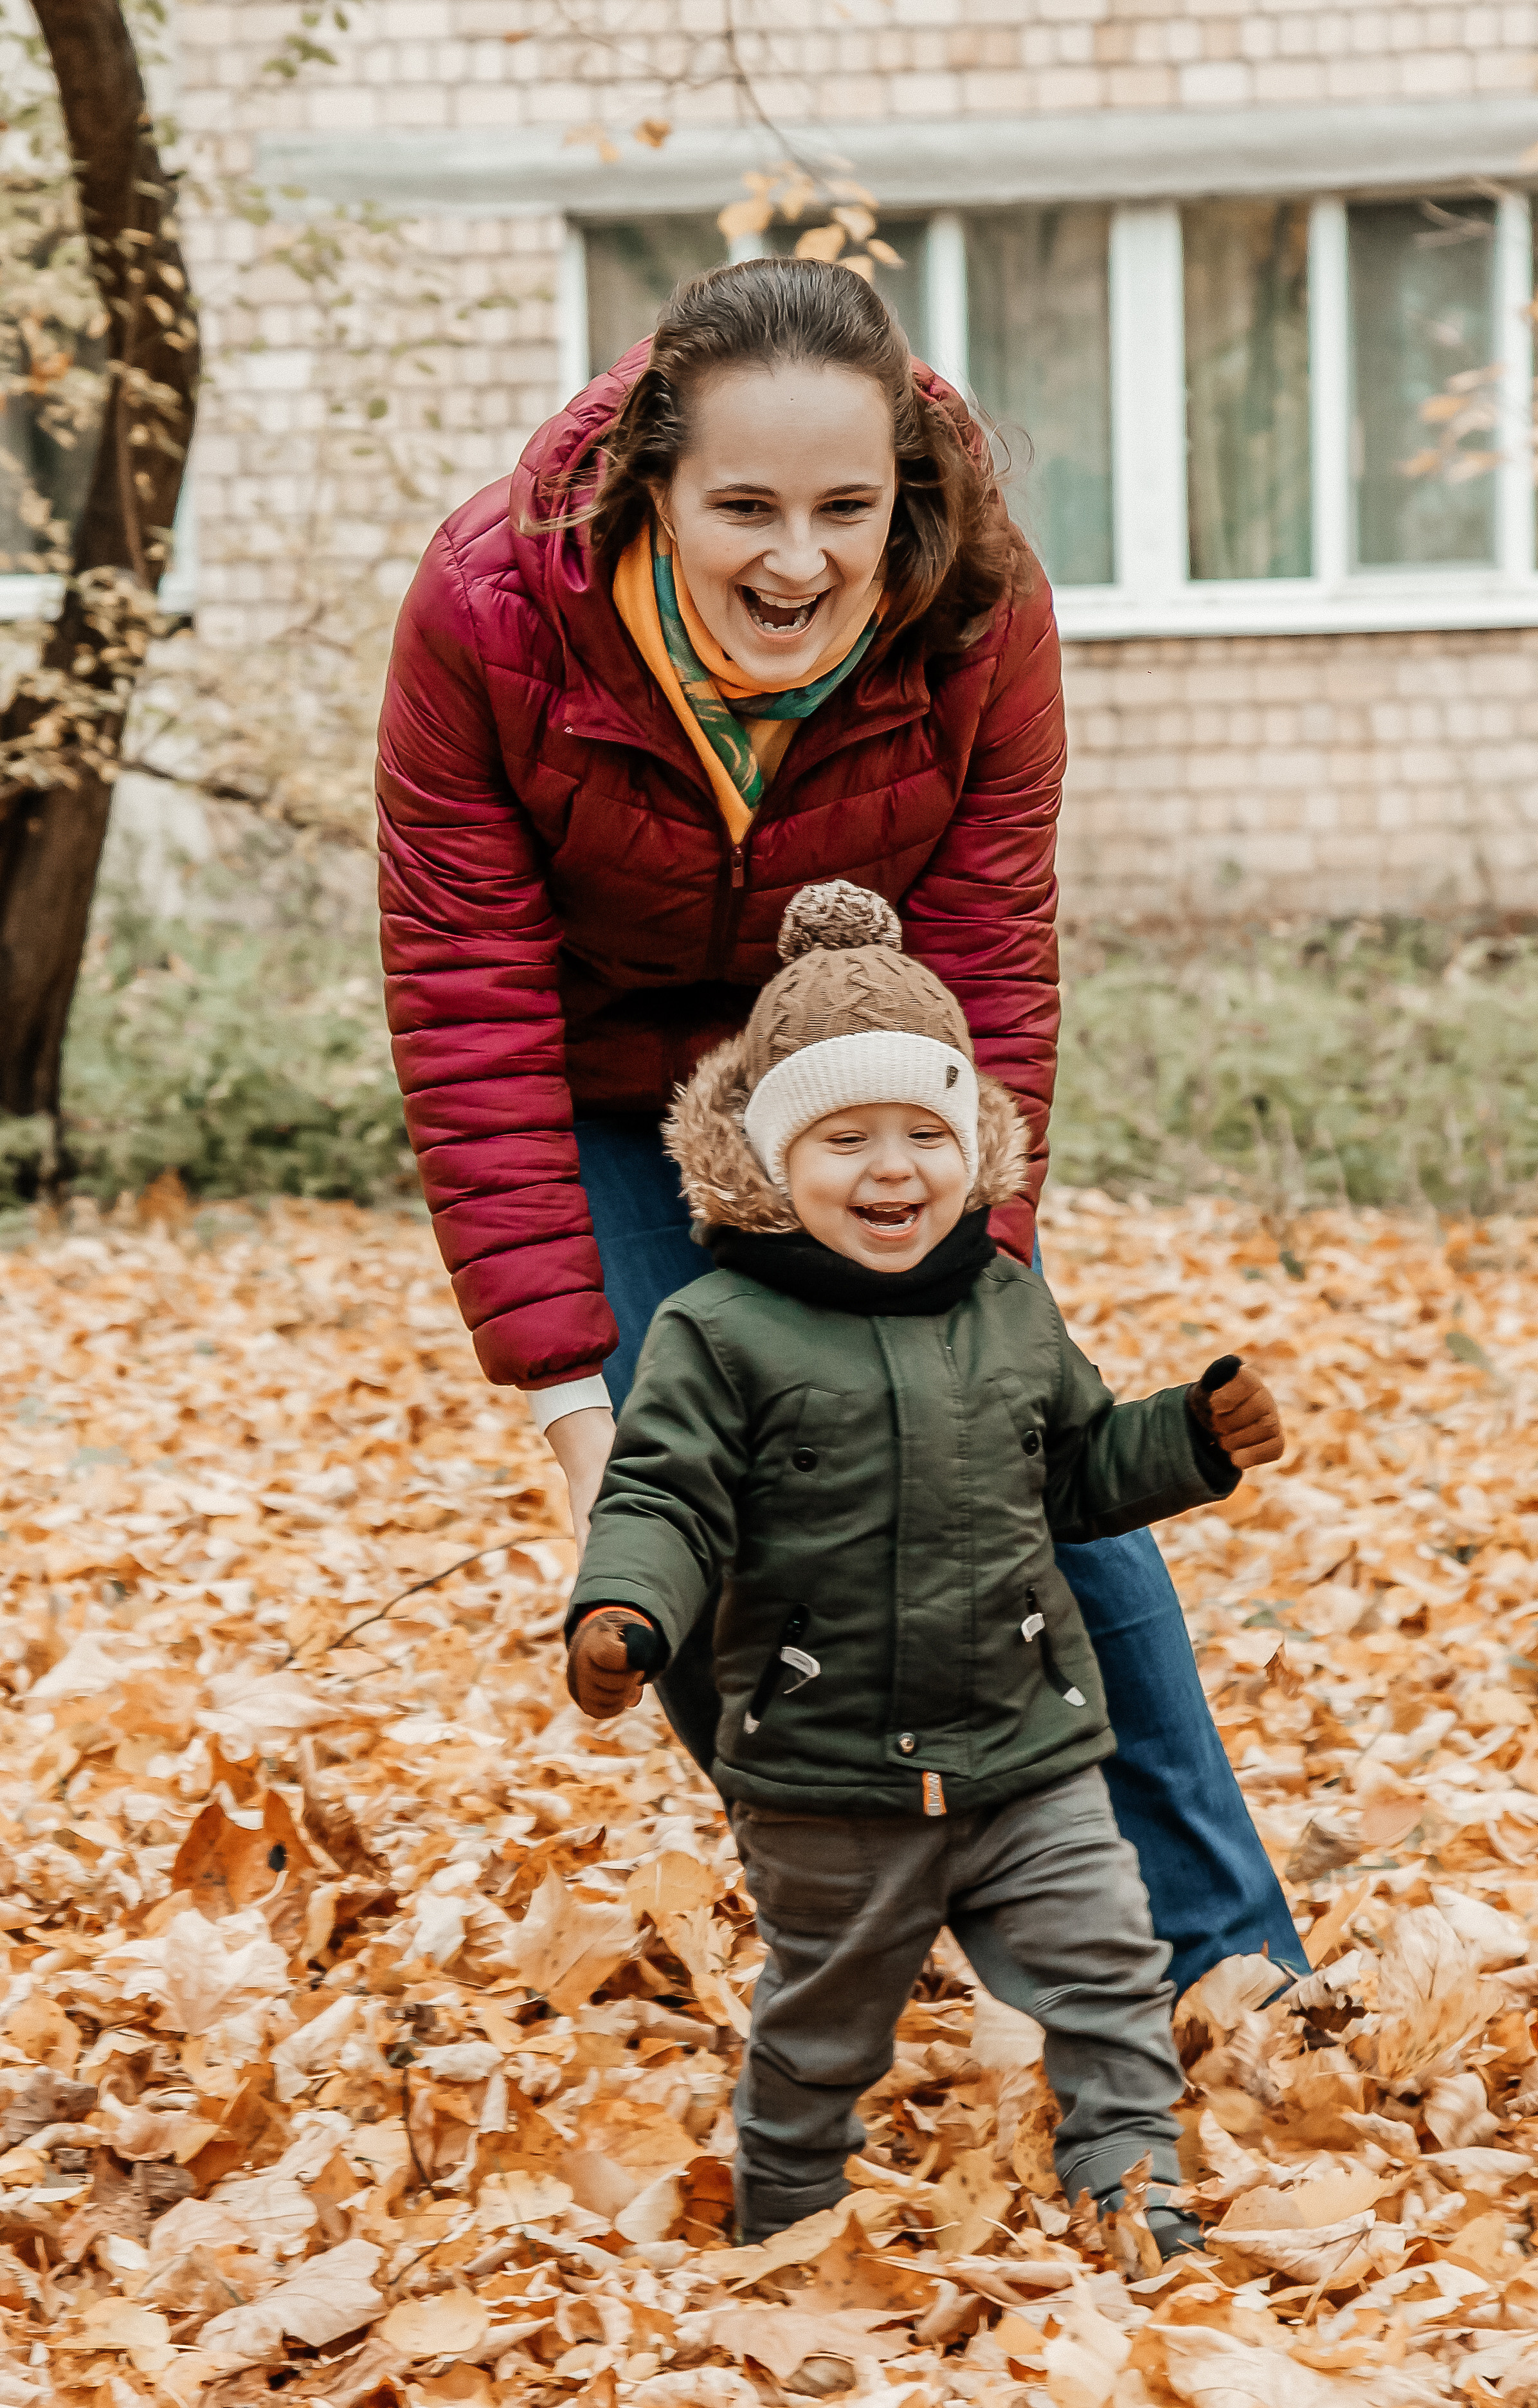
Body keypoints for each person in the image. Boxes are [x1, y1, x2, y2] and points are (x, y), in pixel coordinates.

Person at [375, 251, 1307, 1998]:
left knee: (1018, 1460)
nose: (797, 559)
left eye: (843, 506)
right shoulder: (489, 613)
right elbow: (467, 997)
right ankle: (914, 1912)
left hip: (864, 1053)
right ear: (652, 482)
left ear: (904, 492)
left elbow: (989, 957)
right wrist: (579, 1411)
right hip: (595, 1083)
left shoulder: (977, 606)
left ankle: (1216, 1957)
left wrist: (975, 1285)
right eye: (742, 504)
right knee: (690, 1512)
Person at [563, 883, 1287, 2247]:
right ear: (772, 1163)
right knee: (824, 2033)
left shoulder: (1004, 1305)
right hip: (828, 1775)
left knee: (1106, 1975)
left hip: (1024, 1749)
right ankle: (783, 2219)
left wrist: (1189, 1438)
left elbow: (1074, 1470)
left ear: (972, 1148)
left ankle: (1136, 2196)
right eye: (843, 1139)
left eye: (922, 1134)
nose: (891, 1169)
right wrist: (624, 1608)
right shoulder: (716, 1332)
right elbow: (661, 1495)